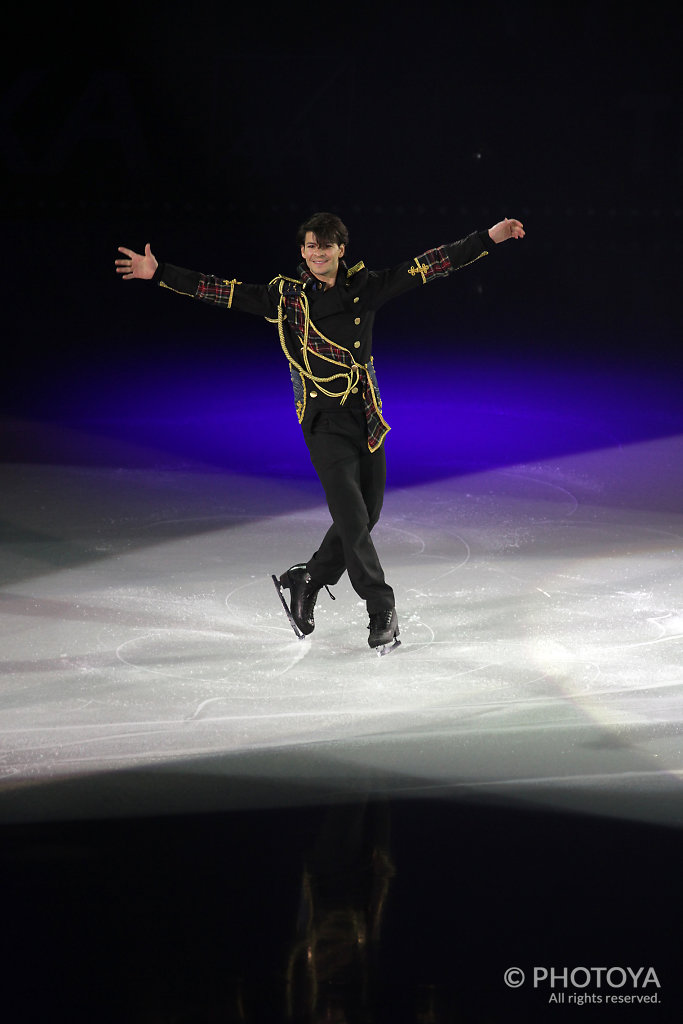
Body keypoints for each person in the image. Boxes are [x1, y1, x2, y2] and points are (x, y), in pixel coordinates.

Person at [115, 212, 524, 652]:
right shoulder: (288, 299)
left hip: (364, 416)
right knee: (351, 513)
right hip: (322, 420)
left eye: (324, 247)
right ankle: (380, 606)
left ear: (340, 250)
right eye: (309, 247)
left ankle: (307, 578)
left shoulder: (366, 288)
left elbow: (430, 264)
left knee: (368, 513)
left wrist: (489, 238)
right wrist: (160, 274)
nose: (315, 254)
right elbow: (225, 292)